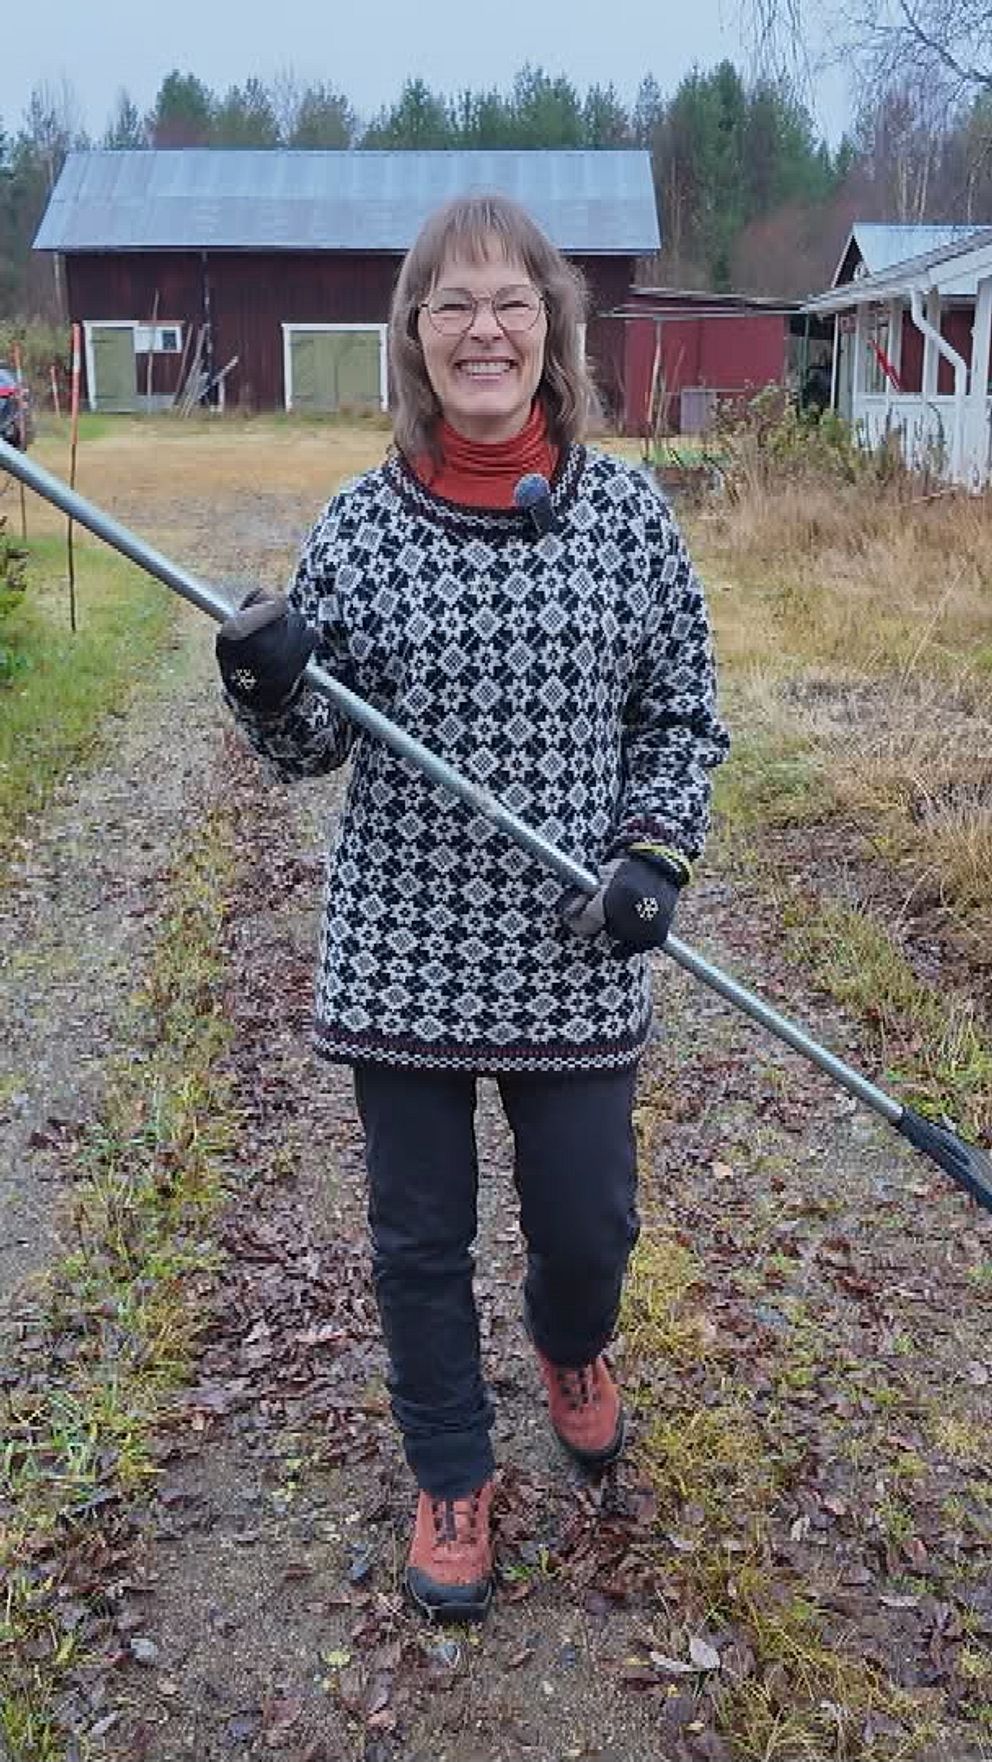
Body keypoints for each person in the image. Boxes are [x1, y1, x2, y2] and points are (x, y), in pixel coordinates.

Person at [215, 194, 729, 1624]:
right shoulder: (364, 529)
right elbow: (310, 748)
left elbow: (681, 712)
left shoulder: (626, 517)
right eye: (453, 304)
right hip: (408, 955)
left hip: (580, 949)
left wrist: (652, 852)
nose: (484, 328)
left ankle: (573, 1344)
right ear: (414, 337)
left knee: (588, 1223)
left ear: (552, 328)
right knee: (417, 1239)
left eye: (511, 301)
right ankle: (452, 1465)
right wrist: (266, 683)